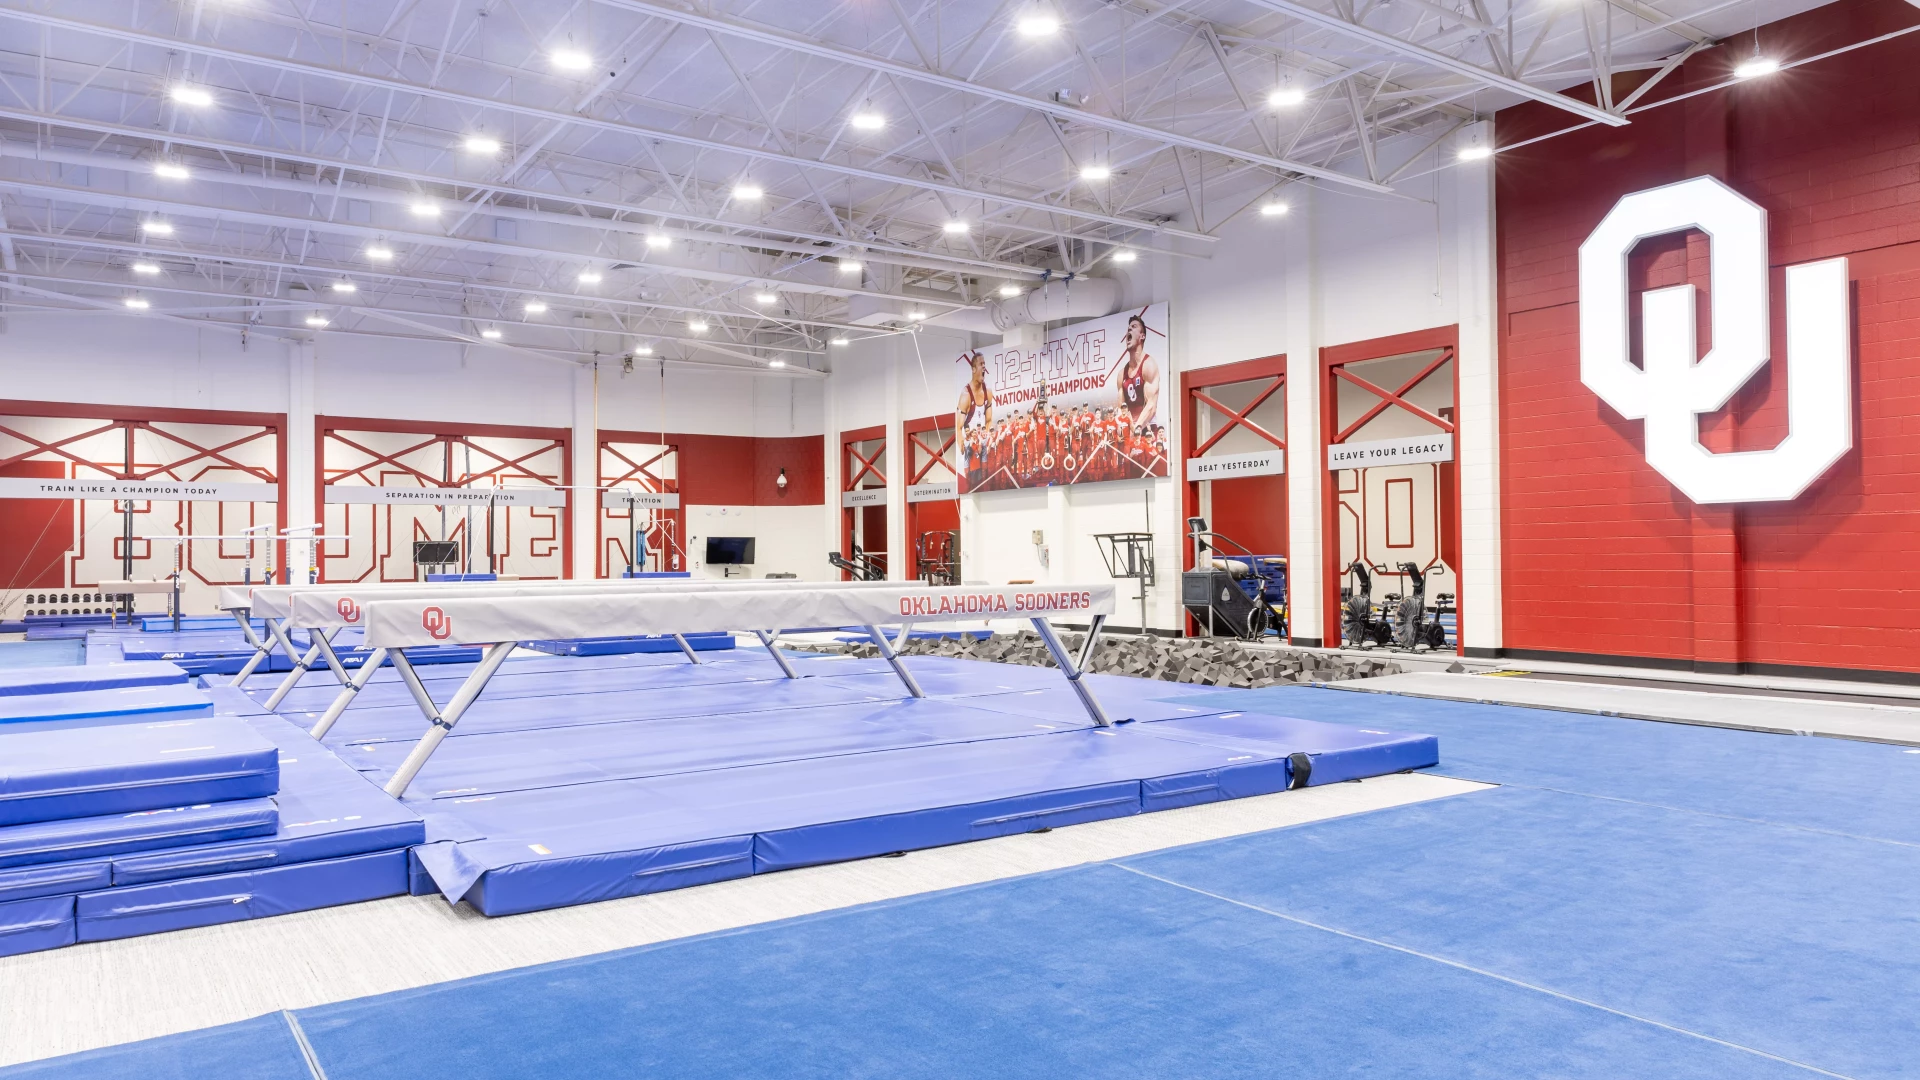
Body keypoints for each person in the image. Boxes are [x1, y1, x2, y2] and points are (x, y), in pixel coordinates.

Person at [1117, 314, 1160, 430]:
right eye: (1128, 328)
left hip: (1146, 429)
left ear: (1142, 336)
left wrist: (1137, 428)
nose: (1129, 329)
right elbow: (1121, 409)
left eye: (1134, 327)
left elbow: (1151, 405)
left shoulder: (1149, 365)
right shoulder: (1121, 374)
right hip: (1131, 430)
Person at [955, 352, 993, 431]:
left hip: (981, 437)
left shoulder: (988, 392)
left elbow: (989, 421)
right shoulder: (966, 395)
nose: (984, 366)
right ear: (973, 369)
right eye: (981, 364)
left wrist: (985, 436)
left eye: (984, 364)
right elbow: (958, 429)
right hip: (968, 437)